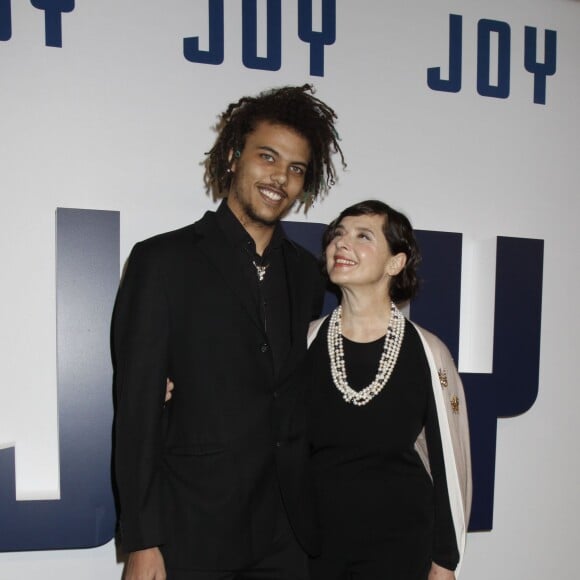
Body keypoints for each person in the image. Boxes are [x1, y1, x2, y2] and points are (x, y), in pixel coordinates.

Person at [112, 84, 345, 580]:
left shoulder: (307, 275)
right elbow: (136, 410)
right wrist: (143, 539)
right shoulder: (163, 262)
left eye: (296, 168)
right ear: (235, 156)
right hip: (191, 530)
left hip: (286, 535)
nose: (280, 177)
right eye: (267, 157)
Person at [304, 200, 472, 579]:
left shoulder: (428, 352)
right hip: (313, 555)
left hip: (402, 554)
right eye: (337, 234)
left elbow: (451, 465)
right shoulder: (305, 343)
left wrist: (445, 564)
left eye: (363, 236)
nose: (341, 244)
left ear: (395, 263)